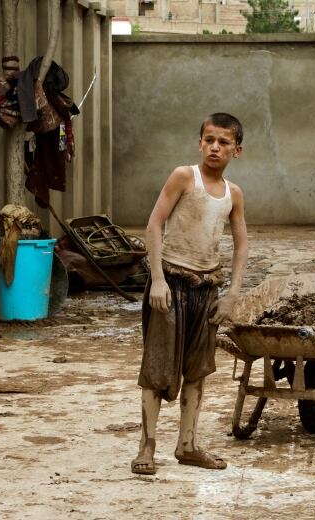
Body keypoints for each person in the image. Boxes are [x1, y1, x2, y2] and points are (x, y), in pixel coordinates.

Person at [131, 113, 248, 475]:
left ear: (237, 150)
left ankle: (187, 445)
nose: (215, 147)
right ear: (200, 143)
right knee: (158, 367)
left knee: (197, 370)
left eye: (224, 142)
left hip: (206, 289)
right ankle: (147, 445)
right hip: (170, 284)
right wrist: (158, 279)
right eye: (209, 139)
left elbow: (242, 244)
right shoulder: (185, 177)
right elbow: (154, 223)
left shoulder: (233, 194)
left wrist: (232, 294)